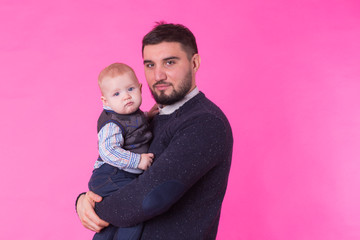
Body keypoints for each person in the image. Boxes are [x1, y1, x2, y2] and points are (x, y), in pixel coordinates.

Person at [76, 22, 233, 239]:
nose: (158, 75)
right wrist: (82, 200)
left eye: (169, 62)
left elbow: (149, 197)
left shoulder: (204, 122)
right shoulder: (148, 117)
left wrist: (93, 207)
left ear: (194, 62)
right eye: (150, 65)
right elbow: (115, 168)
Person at [88, 63, 157, 240]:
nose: (126, 96)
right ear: (105, 101)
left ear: (140, 88)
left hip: (122, 175)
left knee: (111, 220)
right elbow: (108, 151)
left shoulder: (131, 112)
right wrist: (137, 161)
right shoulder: (112, 123)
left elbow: (134, 127)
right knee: (134, 209)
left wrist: (148, 116)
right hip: (110, 175)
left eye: (130, 89)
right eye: (116, 94)